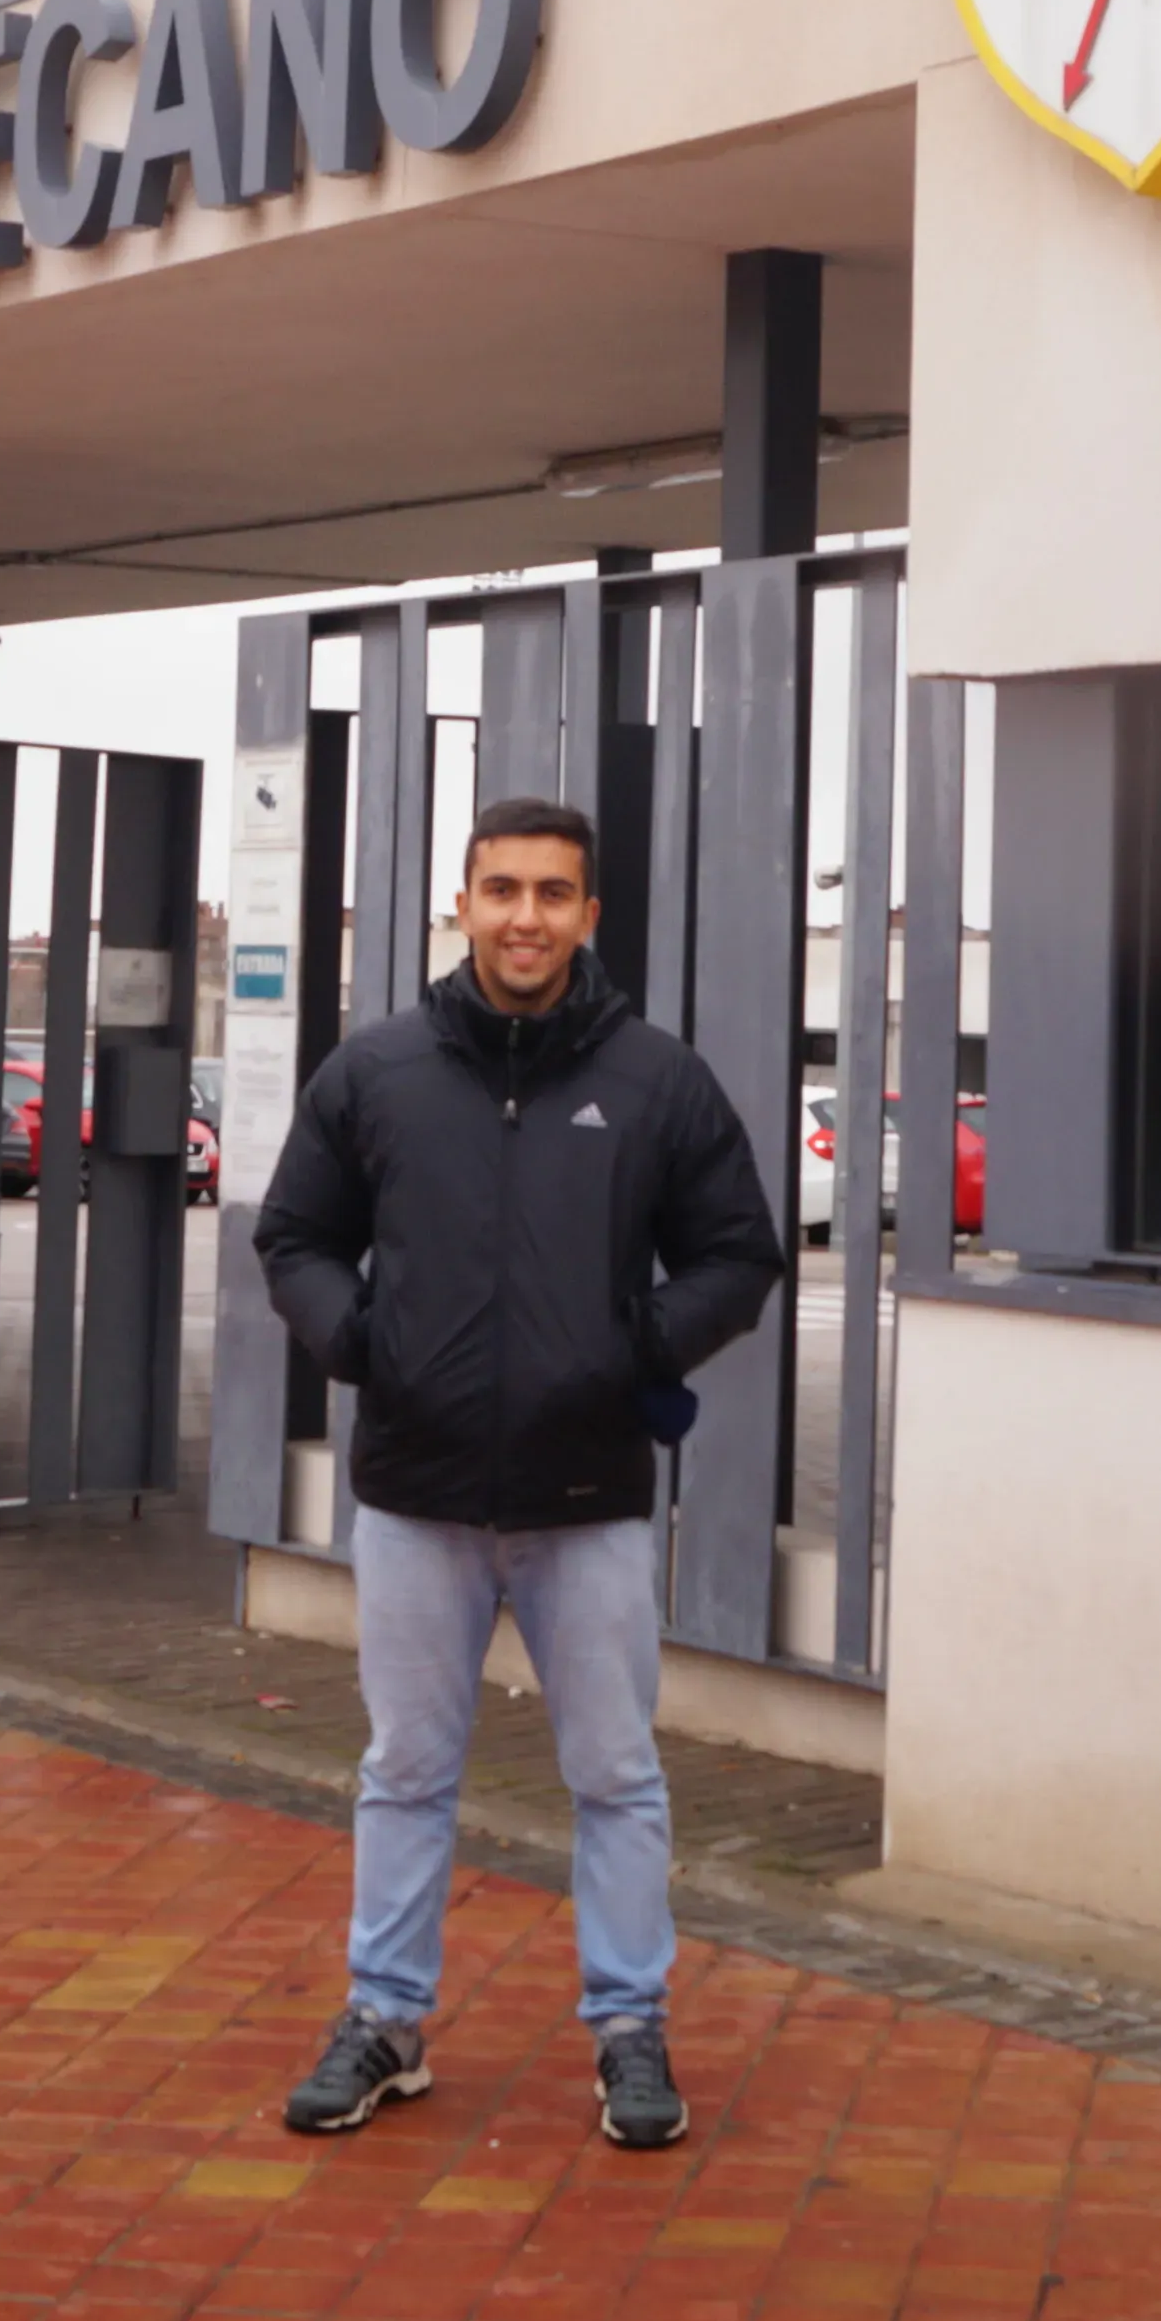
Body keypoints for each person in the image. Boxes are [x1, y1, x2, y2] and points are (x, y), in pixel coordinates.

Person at [250, 791, 784, 2152]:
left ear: (588, 915)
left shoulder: (656, 1080)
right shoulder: (377, 1074)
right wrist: (363, 1341)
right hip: (416, 1494)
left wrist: (628, 1350)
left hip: (588, 1499)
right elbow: (296, 1234)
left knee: (613, 1772)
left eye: (554, 894)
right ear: (463, 904)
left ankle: (629, 2029)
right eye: (502, 891)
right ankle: (385, 2020)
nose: (526, 917)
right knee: (405, 1770)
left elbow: (738, 1252)